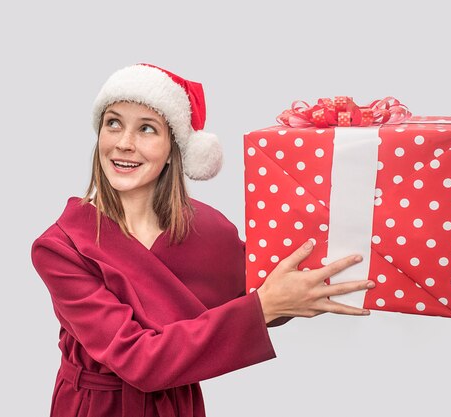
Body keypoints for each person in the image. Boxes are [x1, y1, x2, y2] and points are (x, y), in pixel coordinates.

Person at [30, 63, 375, 417]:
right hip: (95, 408)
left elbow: (258, 298)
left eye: (146, 129)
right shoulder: (61, 247)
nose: (124, 143)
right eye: (113, 123)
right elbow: (137, 359)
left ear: (173, 149)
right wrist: (266, 306)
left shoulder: (209, 231)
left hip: (176, 406)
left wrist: (344, 170)